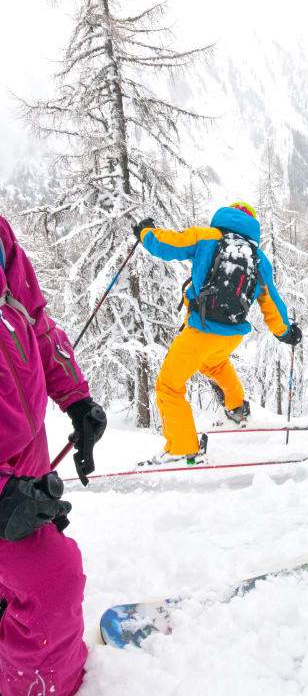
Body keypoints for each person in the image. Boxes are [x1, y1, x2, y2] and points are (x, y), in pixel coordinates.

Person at [0, 216, 106, 696]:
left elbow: (35, 323)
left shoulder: (1, 239)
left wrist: (76, 398)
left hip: (27, 459)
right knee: (51, 584)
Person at [133, 202, 301, 462]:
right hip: (232, 335)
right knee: (215, 364)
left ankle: (183, 448)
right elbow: (272, 302)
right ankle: (237, 410)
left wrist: (146, 233)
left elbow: (167, 245)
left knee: (168, 386)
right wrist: (285, 332)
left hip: (202, 329)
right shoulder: (258, 258)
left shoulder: (208, 237)